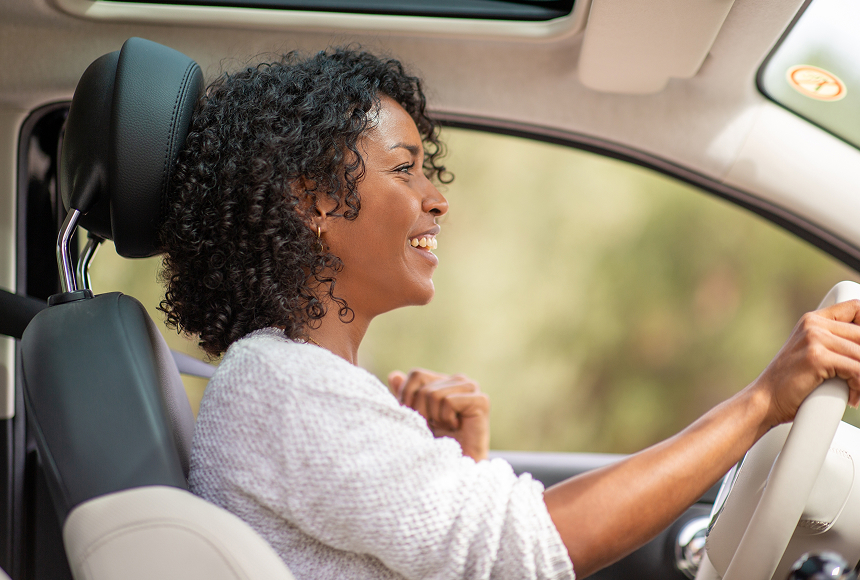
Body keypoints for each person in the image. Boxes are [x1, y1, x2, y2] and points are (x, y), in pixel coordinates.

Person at [159, 48, 860, 580]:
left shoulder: (290, 380)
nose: (436, 199)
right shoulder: (285, 388)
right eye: (403, 168)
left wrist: (464, 469)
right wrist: (762, 403)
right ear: (312, 199)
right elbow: (533, 550)